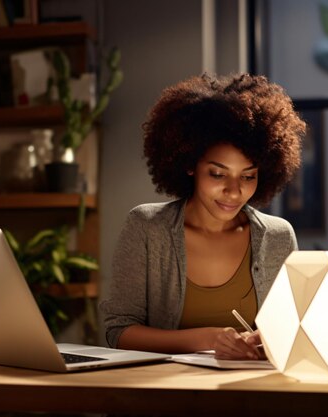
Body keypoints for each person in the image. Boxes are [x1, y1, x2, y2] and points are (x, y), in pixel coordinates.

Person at [100, 73, 305, 360]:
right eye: (218, 173)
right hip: (164, 398)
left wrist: (273, 339)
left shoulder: (278, 237)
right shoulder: (147, 228)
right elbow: (118, 332)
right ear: (189, 165)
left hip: (251, 396)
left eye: (248, 176)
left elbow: (294, 334)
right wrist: (210, 338)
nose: (233, 192)